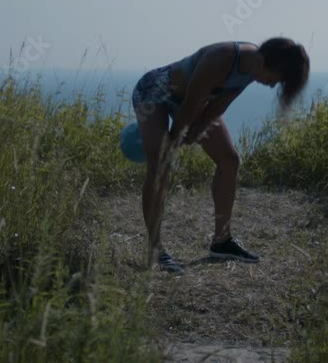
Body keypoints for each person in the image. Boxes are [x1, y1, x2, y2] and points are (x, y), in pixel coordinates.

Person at [131, 37, 310, 273]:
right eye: (278, 78)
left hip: (190, 104)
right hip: (154, 93)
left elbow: (216, 107)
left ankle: (222, 241)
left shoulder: (251, 70)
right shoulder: (223, 58)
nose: (274, 84)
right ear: (265, 61)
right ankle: (156, 251)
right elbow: (190, 106)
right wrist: (175, 139)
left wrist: (194, 133)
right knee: (160, 164)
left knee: (230, 159)